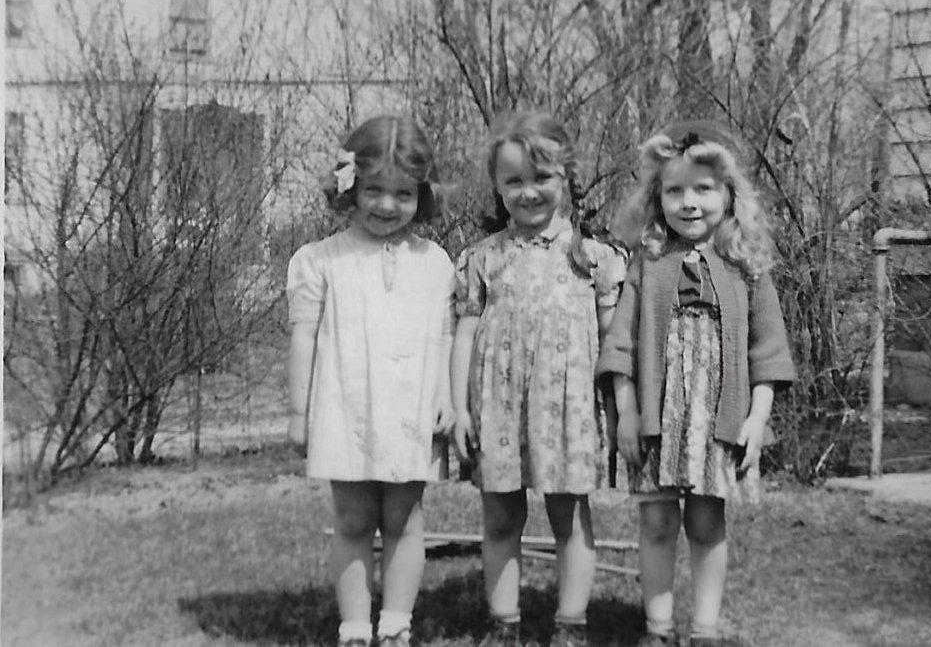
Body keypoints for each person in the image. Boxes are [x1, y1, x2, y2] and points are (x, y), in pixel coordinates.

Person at [596, 120, 795, 647]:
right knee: (658, 523)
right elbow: (620, 346)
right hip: (658, 423)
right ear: (655, 197)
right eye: (674, 190)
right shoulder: (647, 264)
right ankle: (657, 629)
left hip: (717, 421)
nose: (689, 202)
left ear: (729, 194)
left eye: (703, 189)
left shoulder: (747, 267)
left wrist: (756, 419)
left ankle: (704, 630)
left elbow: (768, 352)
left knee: (707, 524)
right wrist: (627, 412)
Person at [451, 110, 626, 647]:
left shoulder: (593, 258)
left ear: (567, 178)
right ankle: (503, 623)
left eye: (542, 178)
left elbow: (615, 346)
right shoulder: (483, 259)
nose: (528, 192)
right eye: (514, 181)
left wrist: (620, 414)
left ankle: (571, 624)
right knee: (501, 517)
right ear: (497, 187)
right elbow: (463, 334)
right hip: (498, 407)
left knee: (569, 516)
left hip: (567, 408)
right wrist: (458, 408)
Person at [287, 116, 455, 647]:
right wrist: (299, 413)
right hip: (345, 407)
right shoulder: (321, 260)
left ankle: (397, 624)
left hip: (409, 410)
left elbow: (444, 337)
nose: (386, 205)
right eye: (374, 190)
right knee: (354, 520)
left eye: (403, 193)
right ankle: (355, 626)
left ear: (422, 195)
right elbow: (304, 339)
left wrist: (446, 397)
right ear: (350, 187)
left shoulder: (435, 263)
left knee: (405, 519)